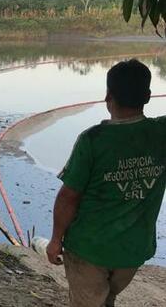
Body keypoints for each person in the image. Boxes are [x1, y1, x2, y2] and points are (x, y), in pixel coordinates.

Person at [46, 59, 166, 307]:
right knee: (107, 296)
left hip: (89, 249)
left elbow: (69, 196)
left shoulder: (93, 140)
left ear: (108, 95)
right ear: (148, 96)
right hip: (133, 251)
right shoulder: (161, 132)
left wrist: (56, 239)